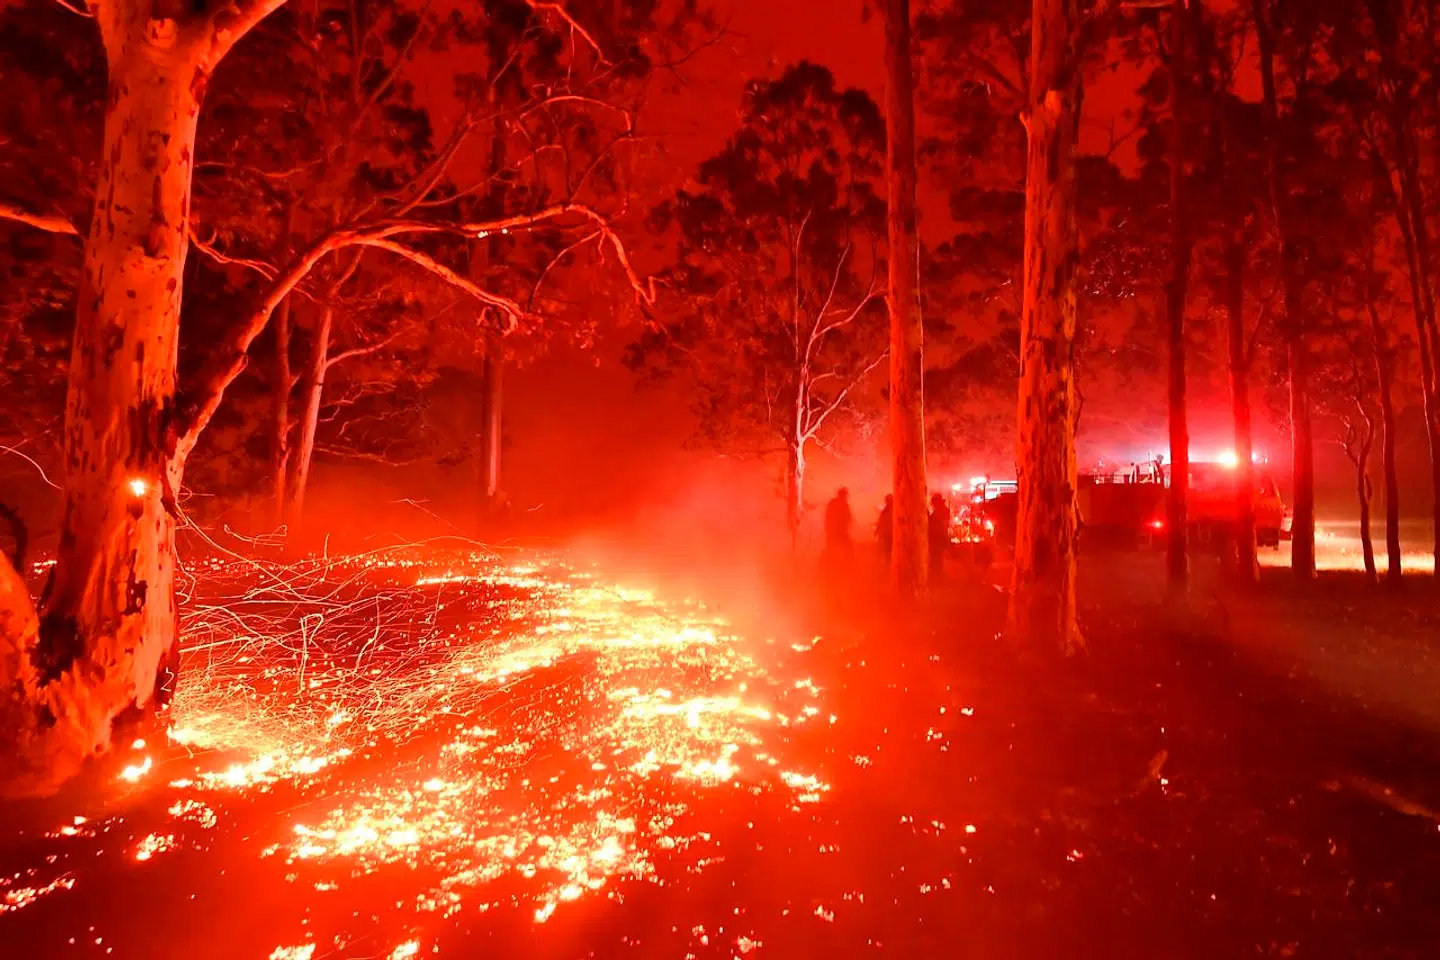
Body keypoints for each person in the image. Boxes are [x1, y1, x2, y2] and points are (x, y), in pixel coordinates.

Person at [825, 487, 854, 562]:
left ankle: (830, 563)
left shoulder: (835, 503)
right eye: (845, 495)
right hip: (836, 531)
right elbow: (848, 517)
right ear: (842, 495)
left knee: (832, 548)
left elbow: (848, 517)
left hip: (836, 531)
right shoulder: (840, 504)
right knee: (847, 548)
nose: (845, 497)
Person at [928, 492, 951, 579]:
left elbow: (943, 528)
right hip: (936, 541)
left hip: (936, 541)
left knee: (936, 561)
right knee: (937, 561)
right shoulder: (941, 511)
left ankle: (936, 579)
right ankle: (937, 577)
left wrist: (946, 541)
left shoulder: (940, 512)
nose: (933, 505)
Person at [875, 494, 894, 561]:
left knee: (891, 552)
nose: (889, 502)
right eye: (888, 500)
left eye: (890, 500)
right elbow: (881, 521)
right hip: (888, 535)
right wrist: (877, 531)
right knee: (888, 552)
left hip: (894, 535)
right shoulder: (885, 511)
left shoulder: (896, 510)